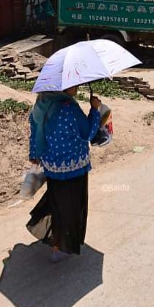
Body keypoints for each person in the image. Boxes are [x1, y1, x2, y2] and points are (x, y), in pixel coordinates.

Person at [27, 86, 101, 261]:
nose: (77, 86)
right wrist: (95, 110)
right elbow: (88, 133)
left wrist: (34, 154)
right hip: (74, 167)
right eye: (73, 84)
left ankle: (57, 241)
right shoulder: (69, 107)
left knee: (58, 204)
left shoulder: (42, 103)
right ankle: (61, 246)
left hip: (52, 167)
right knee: (72, 207)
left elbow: (35, 130)